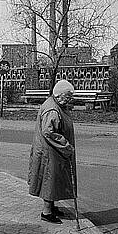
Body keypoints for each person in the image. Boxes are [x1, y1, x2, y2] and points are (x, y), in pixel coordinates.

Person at [28, 80, 77, 224]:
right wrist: (66, 146)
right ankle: (47, 212)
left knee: (54, 179)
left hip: (51, 150)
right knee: (50, 180)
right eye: (68, 96)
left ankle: (52, 207)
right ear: (60, 95)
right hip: (50, 151)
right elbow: (48, 132)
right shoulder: (52, 110)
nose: (70, 99)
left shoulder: (55, 104)